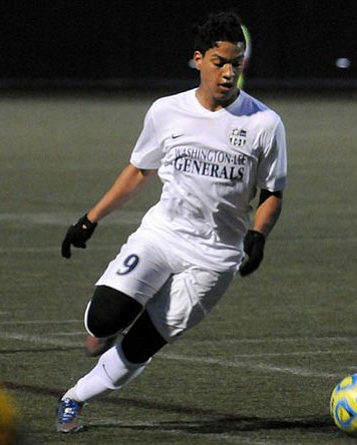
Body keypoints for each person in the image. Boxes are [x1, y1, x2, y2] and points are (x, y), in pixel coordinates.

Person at [56, 11, 287, 433]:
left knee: (141, 345)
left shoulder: (264, 124)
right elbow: (139, 170)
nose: (229, 72)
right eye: (220, 62)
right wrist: (90, 219)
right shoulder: (167, 112)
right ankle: (109, 326)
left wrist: (259, 234)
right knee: (102, 321)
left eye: (236, 63)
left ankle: (74, 397)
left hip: (214, 260)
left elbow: (272, 193)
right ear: (198, 60)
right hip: (161, 236)